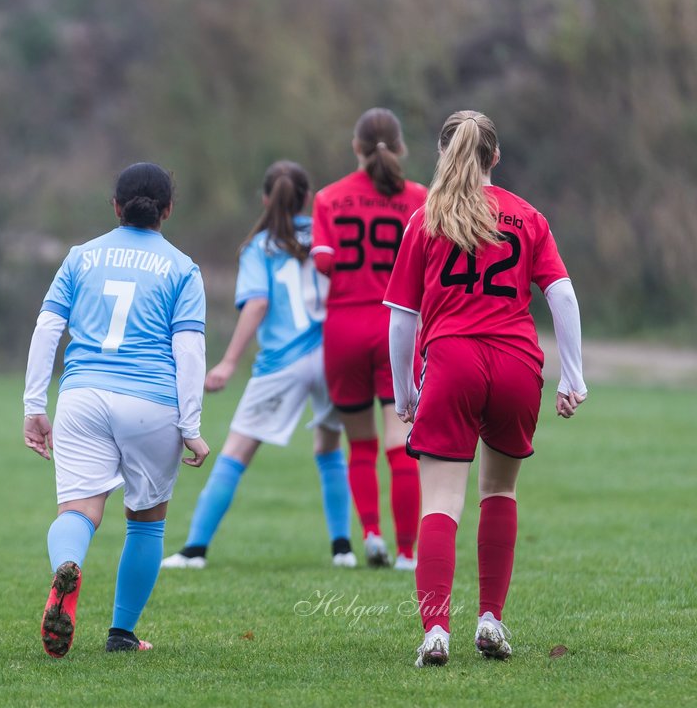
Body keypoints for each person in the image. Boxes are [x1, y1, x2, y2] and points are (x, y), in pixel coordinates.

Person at [384, 110, 587, 667]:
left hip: (452, 362)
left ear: (444, 156)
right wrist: (574, 375)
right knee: (499, 493)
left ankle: (436, 632)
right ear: (494, 156)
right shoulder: (527, 216)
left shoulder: (427, 217)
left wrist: (404, 390)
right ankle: (491, 620)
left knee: (442, 501)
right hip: (518, 364)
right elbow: (562, 296)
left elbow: (402, 316)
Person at [23, 162, 210, 658]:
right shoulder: (182, 268)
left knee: (80, 511)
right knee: (146, 522)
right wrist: (190, 425)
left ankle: (68, 568)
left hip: (82, 398)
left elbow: (47, 329)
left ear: (114, 207)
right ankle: (121, 634)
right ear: (168, 210)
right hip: (151, 404)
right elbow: (188, 351)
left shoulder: (80, 257)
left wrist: (33, 404)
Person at [161, 161, 354, 569]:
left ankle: (195, 549)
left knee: (236, 452)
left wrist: (229, 361)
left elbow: (259, 302)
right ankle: (343, 549)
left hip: (284, 361)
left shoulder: (260, 246)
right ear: (307, 197)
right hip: (333, 354)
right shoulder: (326, 235)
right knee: (329, 446)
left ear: (266, 199)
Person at [311, 108, 428, 570]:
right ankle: (405, 552)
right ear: (399, 147)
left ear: (356, 147)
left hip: (343, 328)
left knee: (359, 444)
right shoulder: (419, 197)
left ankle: (372, 534)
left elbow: (322, 263)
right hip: (397, 326)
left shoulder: (328, 198)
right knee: (401, 443)